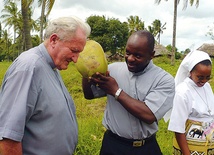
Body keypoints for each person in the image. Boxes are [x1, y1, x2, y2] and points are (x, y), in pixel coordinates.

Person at [0, 16, 91, 155]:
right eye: (74, 50)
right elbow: (8, 137)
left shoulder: (52, 67)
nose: (76, 58)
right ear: (54, 40)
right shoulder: (29, 68)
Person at [82, 30, 175, 155]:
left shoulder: (164, 80)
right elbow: (89, 95)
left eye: (138, 55)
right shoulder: (113, 69)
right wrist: (87, 72)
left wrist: (116, 91)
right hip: (113, 145)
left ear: (151, 55)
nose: (130, 59)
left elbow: (149, 115)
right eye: (127, 52)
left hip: (145, 148)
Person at [168, 50, 214, 155]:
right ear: (190, 72)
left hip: (208, 147)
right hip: (189, 148)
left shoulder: (206, 87)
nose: (204, 81)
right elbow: (178, 129)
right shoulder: (183, 91)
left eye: (208, 77)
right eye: (200, 77)